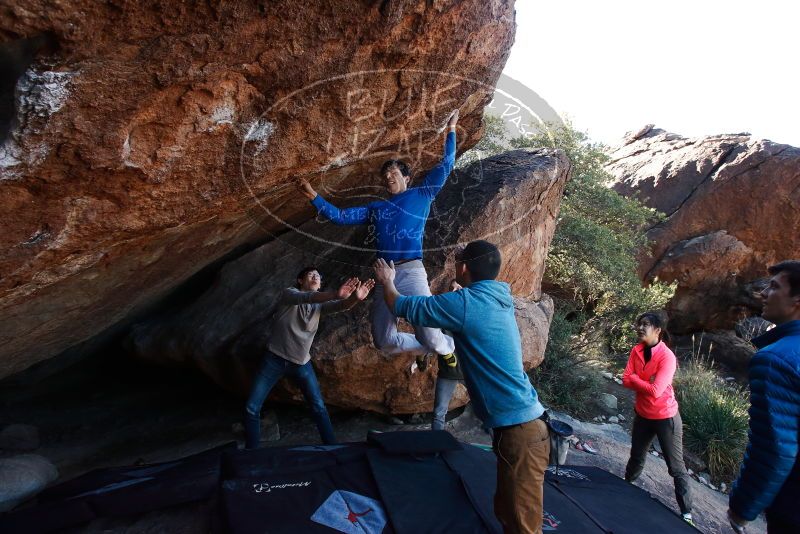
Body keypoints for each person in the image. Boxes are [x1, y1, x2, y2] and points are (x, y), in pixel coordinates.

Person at [372, 240, 549, 534]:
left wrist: (388, 281)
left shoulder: (466, 304)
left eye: (459, 261)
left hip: (521, 433)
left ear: (464, 268)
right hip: (523, 427)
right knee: (507, 512)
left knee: (522, 525)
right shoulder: (497, 297)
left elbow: (400, 305)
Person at [295, 110, 460, 368]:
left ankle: (445, 347)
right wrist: (312, 194)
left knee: (430, 334)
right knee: (383, 340)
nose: (388, 178)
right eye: (385, 176)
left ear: (407, 178)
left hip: (412, 271)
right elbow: (339, 216)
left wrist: (451, 128)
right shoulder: (376, 209)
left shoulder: (423, 194)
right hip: (385, 275)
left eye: (393, 173)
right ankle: (425, 348)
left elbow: (447, 163)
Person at [244, 268, 374, 449]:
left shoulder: (319, 306)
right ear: (300, 280)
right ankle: (251, 455)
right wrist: (335, 294)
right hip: (273, 359)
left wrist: (355, 298)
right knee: (252, 407)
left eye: (319, 276)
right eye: (311, 275)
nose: (316, 277)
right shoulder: (289, 295)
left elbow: (341, 305)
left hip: (301, 364)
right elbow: (305, 298)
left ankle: (333, 449)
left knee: (319, 407)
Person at [728, 260, 800, 534]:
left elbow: (774, 448)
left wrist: (742, 508)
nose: (763, 293)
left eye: (774, 287)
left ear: (796, 300)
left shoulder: (775, 359)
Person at [622, 311, 694, 525]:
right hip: (643, 414)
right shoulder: (636, 351)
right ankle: (626, 488)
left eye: (645, 324)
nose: (640, 328)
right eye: (639, 324)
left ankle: (687, 513)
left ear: (658, 330)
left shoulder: (667, 357)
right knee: (636, 456)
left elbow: (655, 390)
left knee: (675, 466)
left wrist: (636, 379)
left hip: (665, 417)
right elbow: (626, 380)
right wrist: (637, 380)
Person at [428, 279, 465, 431]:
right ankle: (435, 449)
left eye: (458, 286)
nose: (455, 289)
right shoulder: (442, 316)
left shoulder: (467, 314)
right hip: (448, 373)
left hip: (468, 371)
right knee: (438, 413)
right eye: (452, 287)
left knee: (486, 408)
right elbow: (429, 337)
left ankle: (498, 446)